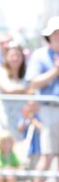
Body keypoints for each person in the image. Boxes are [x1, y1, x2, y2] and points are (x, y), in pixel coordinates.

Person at [25, 16, 59, 182]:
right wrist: (55, 71)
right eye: (55, 33)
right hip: (48, 110)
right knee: (47, 155)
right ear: (49, 36)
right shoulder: (40, 55)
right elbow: (33, 82)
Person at [0, 41, 28, 147]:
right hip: (3, 121)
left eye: (18, 55)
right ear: (6, 57)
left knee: (19, 158)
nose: (15, 58)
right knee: (3, 156)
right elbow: (8, 88)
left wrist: (24, 120)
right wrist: (27, 89)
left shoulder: (25, 76)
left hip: (20, 123)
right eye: (12, 55)